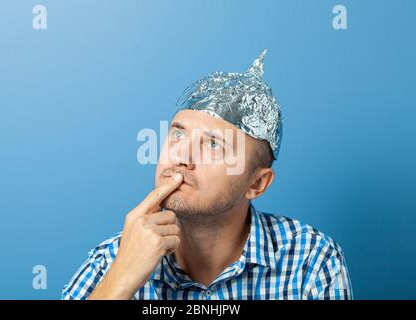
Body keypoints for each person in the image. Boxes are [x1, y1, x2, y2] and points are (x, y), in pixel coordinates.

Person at [62, 50, 353, 300]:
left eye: (213, 145)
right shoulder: (112, 260)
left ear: (256, 183)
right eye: (178, 135)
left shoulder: (310, 261)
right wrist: (119, 282)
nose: (182, 158)